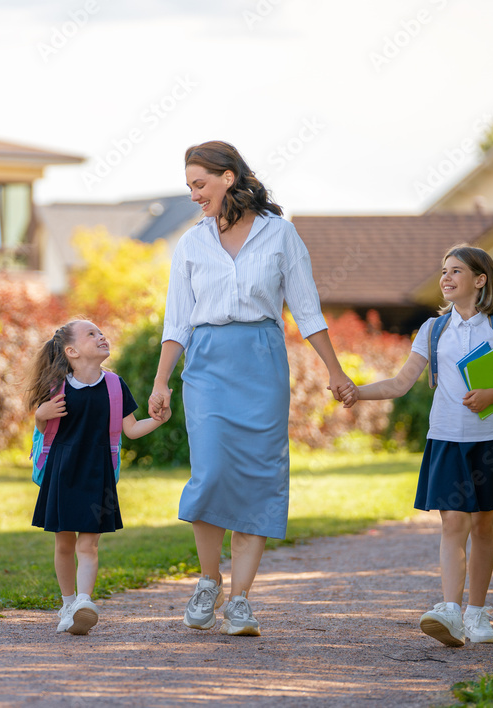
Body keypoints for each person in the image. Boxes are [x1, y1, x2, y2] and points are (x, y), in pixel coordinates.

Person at [148, 140, 355, 637]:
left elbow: (306, 309)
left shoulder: (279, 234)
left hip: (262, 361)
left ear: (228, 177)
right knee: (212, 471)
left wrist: (336, 370)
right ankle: (207, 580)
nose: (195, 195)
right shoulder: (191, 243)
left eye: (200, 184)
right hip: (208, 364)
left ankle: (240, 600)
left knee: (261, 477)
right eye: (190, 186)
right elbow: (177, 320)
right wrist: (160, 382)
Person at [346, 244, 493, 646]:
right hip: (445, 439)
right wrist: (359, 392)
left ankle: (477, 613)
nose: (446, 277)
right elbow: (401, 382)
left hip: (492, 441)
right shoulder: (432, 329)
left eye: (456, 271)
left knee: (484, 525)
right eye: (443, 271)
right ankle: (450, 612)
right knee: (453, 522)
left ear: (480, 280)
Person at [26, 319, 168, 635]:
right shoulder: (56, 387)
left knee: (89, 545)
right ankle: (68, 604)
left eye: (101, 332)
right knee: (64, 544)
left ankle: (83, 604)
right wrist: (40, 415)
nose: (101, 335)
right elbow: (43, 430)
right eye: (92, 334)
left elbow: (131, 429)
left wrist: (157, 420)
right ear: (72, 351)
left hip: (98, 475)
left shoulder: (115, 386)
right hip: (61, 474)